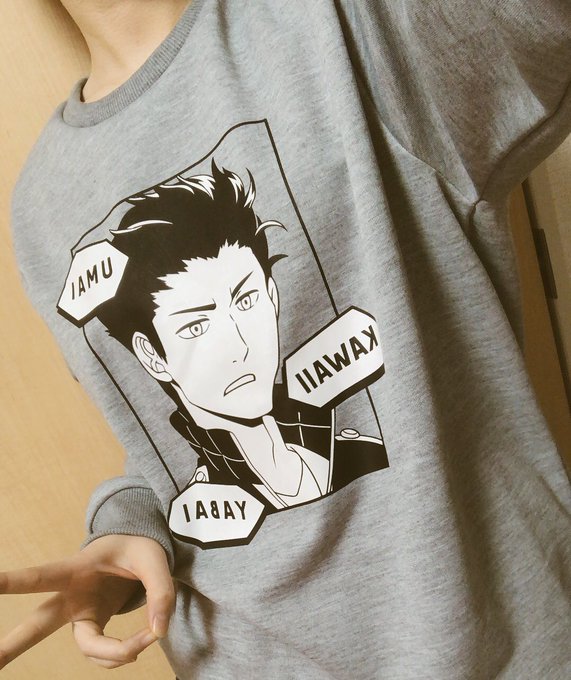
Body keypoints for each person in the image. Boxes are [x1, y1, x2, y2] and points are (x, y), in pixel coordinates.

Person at [4, 0, 571, 677]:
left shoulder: (343, 26)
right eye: (195, 325)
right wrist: (128, 523)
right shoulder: (40, 206)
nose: (239, 345)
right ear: (155, 353)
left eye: (247, 300)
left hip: (494, 646)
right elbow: (157, 446)